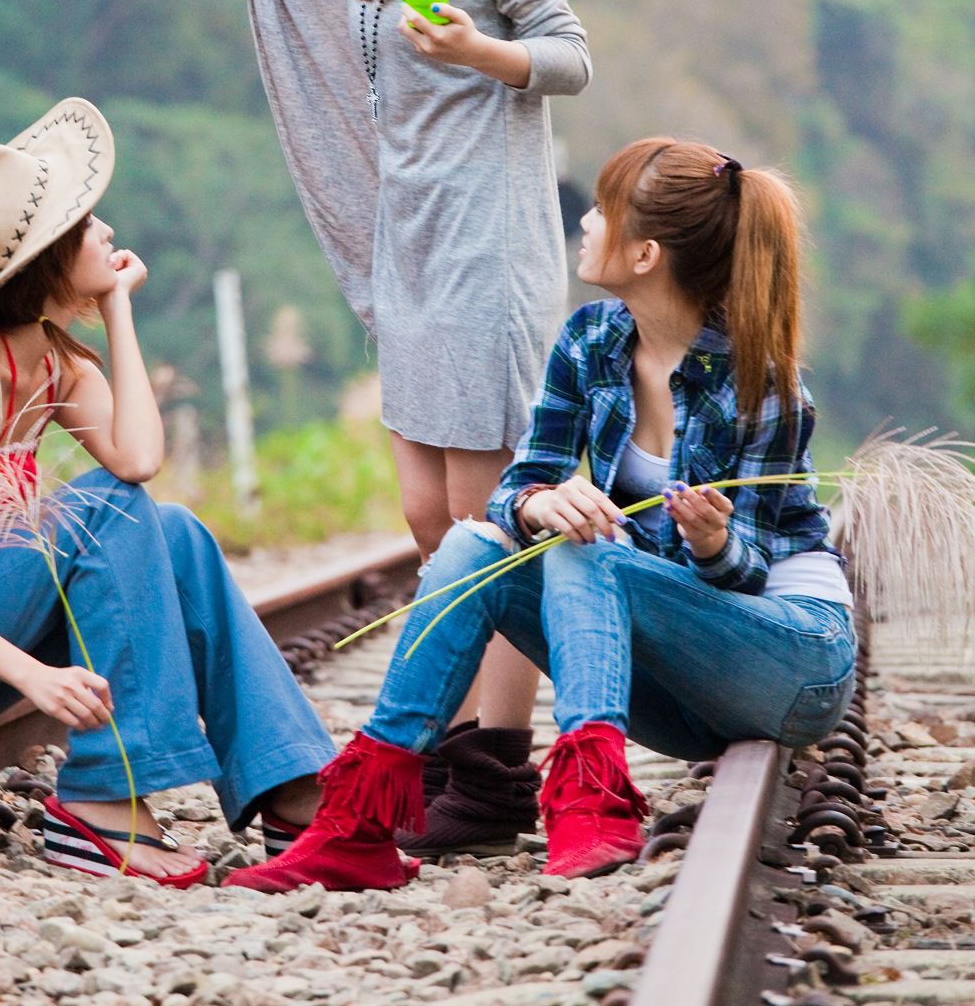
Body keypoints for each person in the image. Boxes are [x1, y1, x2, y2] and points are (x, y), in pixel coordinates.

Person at [226, 136, 857, 892]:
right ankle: (354, 827)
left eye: (602, 209)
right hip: (686, 690)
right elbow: (519, 481)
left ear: (646, 253)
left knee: (586, 551)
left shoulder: (762, 386)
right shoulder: (590, 341)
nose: (585, 222)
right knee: (470, 547)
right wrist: (538, 502)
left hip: (790, 661)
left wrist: (712, 540)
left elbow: (747, 574)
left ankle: (590, 801)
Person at [202, 0, 591, 853]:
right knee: (431, 511)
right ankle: (461, 746)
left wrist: (480, 46)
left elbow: (568, 54)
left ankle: (487, 772)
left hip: (486, 244)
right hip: (410, 241)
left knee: (489, 519)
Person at [0, 98, 333, 886]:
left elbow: (137, 459)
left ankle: (292, 789)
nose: (109, 231)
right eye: (88, 223)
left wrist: (117, 308)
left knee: (174, 528)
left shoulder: (49, 364)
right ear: (47, 257)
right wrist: (33, 677)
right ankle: (103, 801)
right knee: (106, 511)